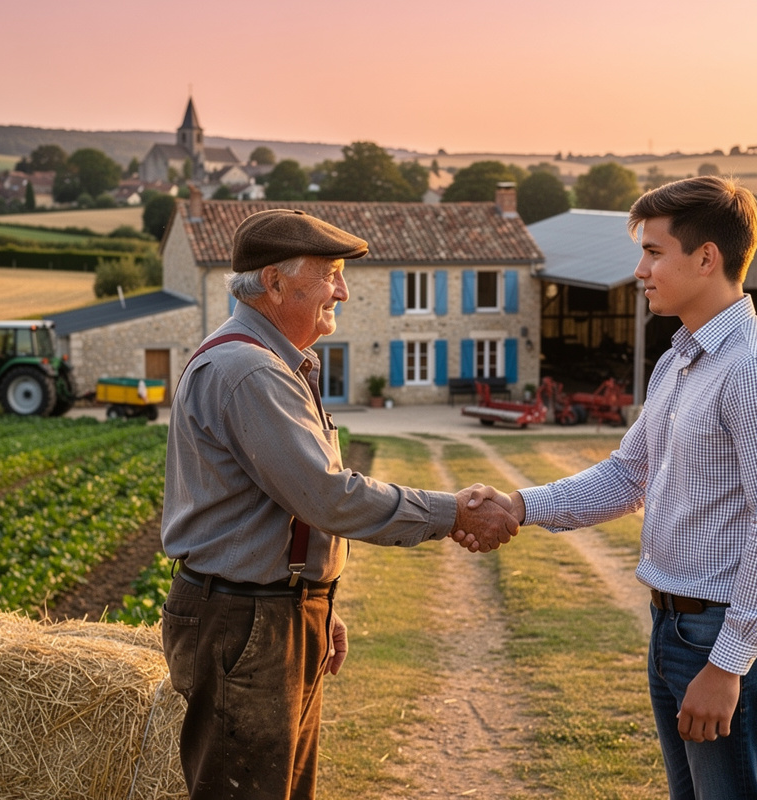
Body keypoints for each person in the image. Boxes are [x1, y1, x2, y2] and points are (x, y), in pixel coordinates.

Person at [467, 176, 757, 800]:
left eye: (654, 253)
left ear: (706, 258)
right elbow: (628, 474)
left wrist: (727, 665)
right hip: (674, 629)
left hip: (723, 637)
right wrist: (520, 505)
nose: (639, 271)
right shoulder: (680, 359)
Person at [160, 208, 518, 800]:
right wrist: (453, 511)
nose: (343, 291)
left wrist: (312, 598)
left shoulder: (268, 363)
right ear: (274, 283)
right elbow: (327, 496)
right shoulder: (251, 371)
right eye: (329, 274)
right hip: (247, 620)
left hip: (267, 612)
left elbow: (282, 509)